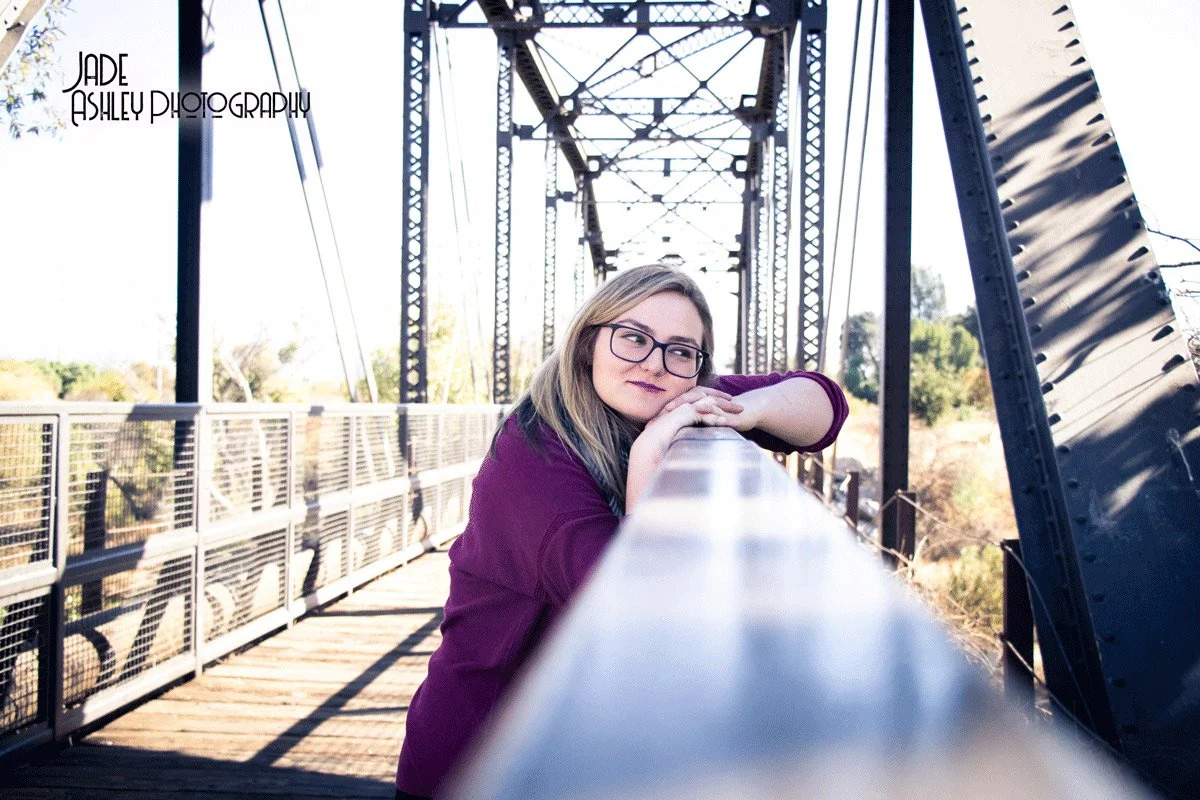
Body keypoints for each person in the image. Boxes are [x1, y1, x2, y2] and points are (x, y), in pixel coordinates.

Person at [395, 264, 848, 799]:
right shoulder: (532, 455)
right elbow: (636, 620)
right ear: (589, 343)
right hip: (482, 759)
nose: (655, 363)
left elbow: (827, 406)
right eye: (633, 338)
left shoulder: (672, 391)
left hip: (583, 753)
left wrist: (743, 410)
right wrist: (649, 457)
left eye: (681, 350)